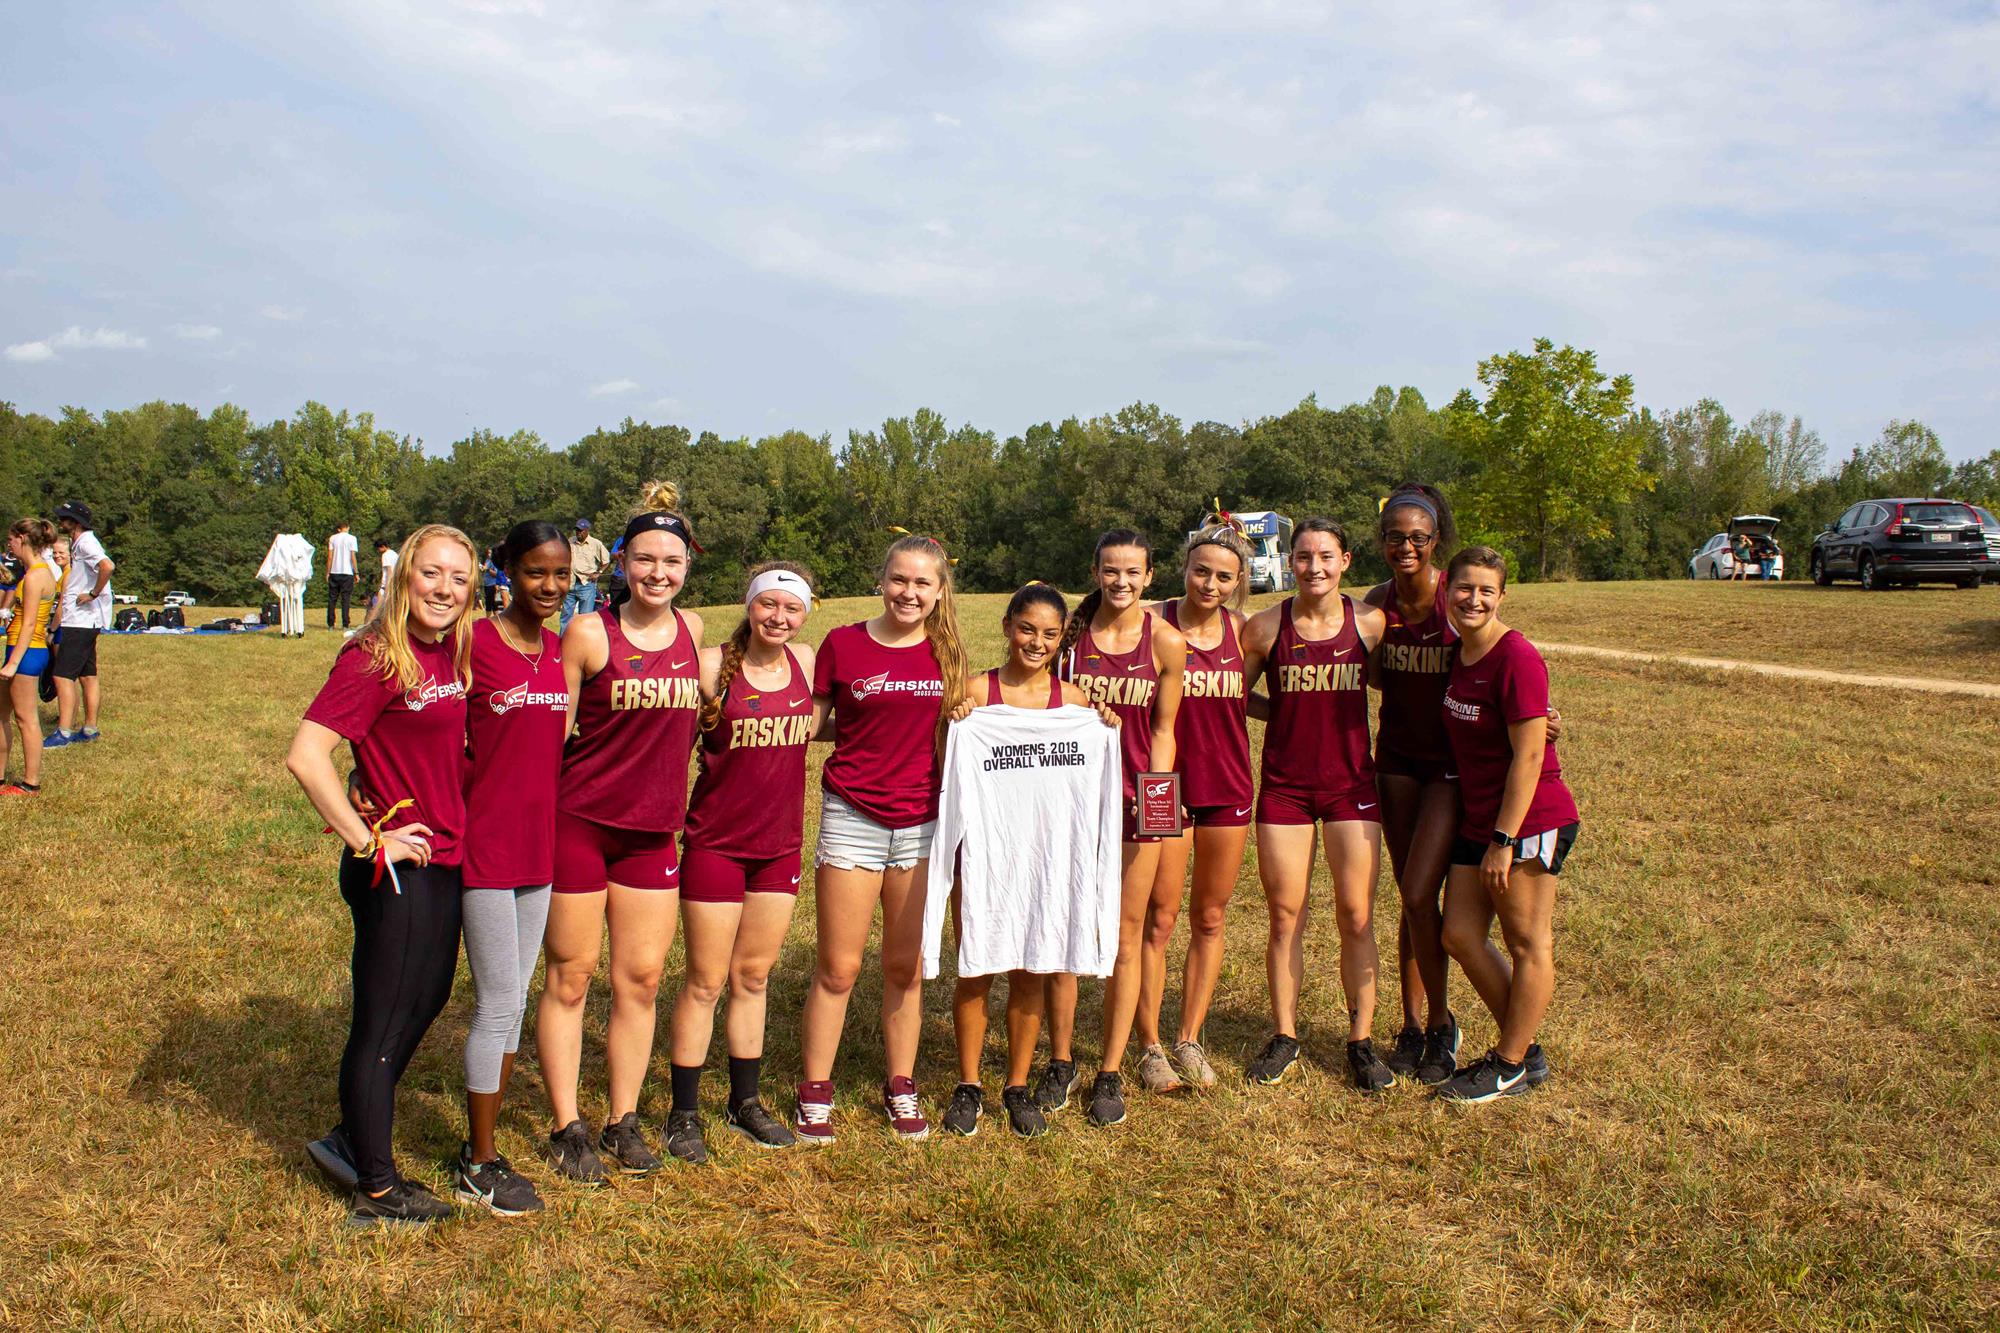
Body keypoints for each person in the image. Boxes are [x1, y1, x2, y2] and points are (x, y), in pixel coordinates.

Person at [287, 524, 478, 1227]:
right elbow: (308, 754)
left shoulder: (447, 649)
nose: (445, 589)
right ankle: (376, 1187)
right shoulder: (374, 655)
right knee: (383, 1022)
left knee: (421, 1004)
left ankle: (349, 1137)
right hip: (397, 868)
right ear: (404, 577)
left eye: (459, 578)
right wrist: (370, 840)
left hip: (444, 855)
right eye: (432, 574)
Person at [538, 482, 704, 1182]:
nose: (657, 572)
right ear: (619, 563)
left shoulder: (695, 632)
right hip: (579, 824)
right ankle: (565, 1124)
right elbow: (546, 736)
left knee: (638, 979)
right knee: (571, 978)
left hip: (651, 834)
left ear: (687, 564)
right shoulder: (588, 632)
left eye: (670, 560)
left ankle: (621, 1117)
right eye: (644, 559)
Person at [795, 532, 965, 1145]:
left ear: (939, 590)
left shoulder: (949, 656)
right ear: (882, 579)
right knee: (838, 967)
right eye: (900, 579)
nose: (909, 593)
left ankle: (901, 1083)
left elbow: (976, 727)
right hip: (853, 818)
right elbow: (810, 722)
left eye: (922, 583)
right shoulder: (842, 645)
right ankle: (815, 1089)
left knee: (905, 965)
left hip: (921, 823)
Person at [941, 583, 1117, 1139]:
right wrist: (958, 719)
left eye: (1049, 633)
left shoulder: (1079, 706)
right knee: (976, 967)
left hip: (1045, 860)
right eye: (1025, 629)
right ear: (1006, 626)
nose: (1035, 642)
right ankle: (968, 1084)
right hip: (986, 855)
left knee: (1031, 969)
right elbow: (948, 776)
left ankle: (1017, 1085)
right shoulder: (975, 694)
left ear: (1063, 636)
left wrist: (1106, 726)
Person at [664, 562, 819, 1164]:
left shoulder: (804, 662)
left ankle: (745, 1102)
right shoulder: (710, 666)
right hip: (716, 845)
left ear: (805, 614)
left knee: (753, 977)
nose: (778, 618)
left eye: (792, 608)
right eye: (768, 606)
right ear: (749, 606)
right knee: (704, 982)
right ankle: (683, 1113)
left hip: (778, 847)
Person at [1241, 518, 1397, 1094]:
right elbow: (1234, 694)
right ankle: (1285, 1035)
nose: (1314, 567)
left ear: (1346, 561)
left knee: (1356, 914)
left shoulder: (1371, 624)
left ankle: (1361, 1041)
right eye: (1303, 557)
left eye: (1325, 557)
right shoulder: (1264, 628)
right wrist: (1276, 713)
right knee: (1286, 916)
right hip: (1285, 787)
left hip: (1351, 787)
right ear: (1290, 562)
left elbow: (1399, 686)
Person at [1038, 530, 1186, 1127]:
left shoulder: (1166, 641)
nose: (1120, 582)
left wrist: (1158, 799)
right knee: (1065, 933)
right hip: (1070, 802)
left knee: (1127, 936)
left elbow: (1165, 729)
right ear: (1095, 571)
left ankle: (1111, 1070)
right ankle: (1060, 1061)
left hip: (1134, 803)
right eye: (1110, 570)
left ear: (1149, 577)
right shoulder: (1070, 637)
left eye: (1133, 572)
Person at [453, 521, 571, 1211]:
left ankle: (483, 1145)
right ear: (504, 572)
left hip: (540, 846)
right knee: (497, 1000)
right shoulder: (474, 642)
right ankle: (480, 1160)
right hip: (484, 846)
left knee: (515, 1000)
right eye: (534, 572)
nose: (550, 585)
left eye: (559, 573)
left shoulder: (559, 649)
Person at [1435, 546, 1579, 1103]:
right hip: (1479, 818)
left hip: (1526, 821)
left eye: (1485, 591)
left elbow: (1530, 758)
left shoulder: (1516, 656)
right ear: (1448, 590)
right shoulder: (1459, 653)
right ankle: (1524, 1049)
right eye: (1465, 588)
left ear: (1502, 597)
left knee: (1526, 942)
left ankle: (1510, 1061)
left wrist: (1503, 839)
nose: (1473, 599)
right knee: (1460, 934)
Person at [1135, 519, 1254, 1089]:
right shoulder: (1151, 622)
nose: (1210, 584)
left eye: (1223, 576)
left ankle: (1189, 1038)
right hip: (1165, 788)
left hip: (1228, 787)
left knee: (1210, 916)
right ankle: (1150, 1045)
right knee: (1158, 919)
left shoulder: (1246, 633)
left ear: (1239, 581)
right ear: (1183, 569)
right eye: (1201, 571)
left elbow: (1267, 699)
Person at [1363, 485, 1465, 1086]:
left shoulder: (1458, 598)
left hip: (1448, 769)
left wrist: (1540, 714)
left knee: (1423, 891)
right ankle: (1411, 1025)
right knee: (1411, 896)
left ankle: (1443, 1023)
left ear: (1434, 543)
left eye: (1418, 538)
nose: (1406, 546)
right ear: (1381, 543)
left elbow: (1502, 658)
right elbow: (1368, 674)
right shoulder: (1378, 604)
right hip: (1395, 761)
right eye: (1396, 537)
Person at [0, 519, 62, 797]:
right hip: (20, 648)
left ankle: (30, 783)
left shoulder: (37, 575)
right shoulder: (35, 572)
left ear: (23, 538)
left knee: (26, 719)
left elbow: (29, 624)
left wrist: (13, 663)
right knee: (1, 714)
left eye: (11, 539)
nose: (8, 544)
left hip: (26, 652)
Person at [47, 501, 113, 749]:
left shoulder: (85, 542)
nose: (61, 521)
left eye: (64, 518)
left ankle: (63, 732)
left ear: (75, 522)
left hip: (81, 620)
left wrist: (93, 594)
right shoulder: (81, 542)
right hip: (87, 620)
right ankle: (89, 729)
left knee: (62, 676)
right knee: (88, 676)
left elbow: (107, 566)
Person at [564, 519, 610, 631]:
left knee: (584, 619)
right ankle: (561, 643)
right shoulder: (570, 541)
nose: (578, 533)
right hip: (570, 582)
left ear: (587, 531)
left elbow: (606, 560)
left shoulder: (596, 544)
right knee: (565, 617)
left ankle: (581, 644)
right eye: (577, 530)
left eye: (581, 530)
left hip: (586, 584)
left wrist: (598, 573)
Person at [326, 522, 359, 629]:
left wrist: (327, 572)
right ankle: (345, 624)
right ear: (347, 528)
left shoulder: (332, 538)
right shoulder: (352, 538)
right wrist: (356, 572)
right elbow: (352, 556)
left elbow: (330, 557)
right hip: (347, 572)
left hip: (334, 572)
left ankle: (331, 624)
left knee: (332, 599)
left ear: (338, 529)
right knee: (346, 599)